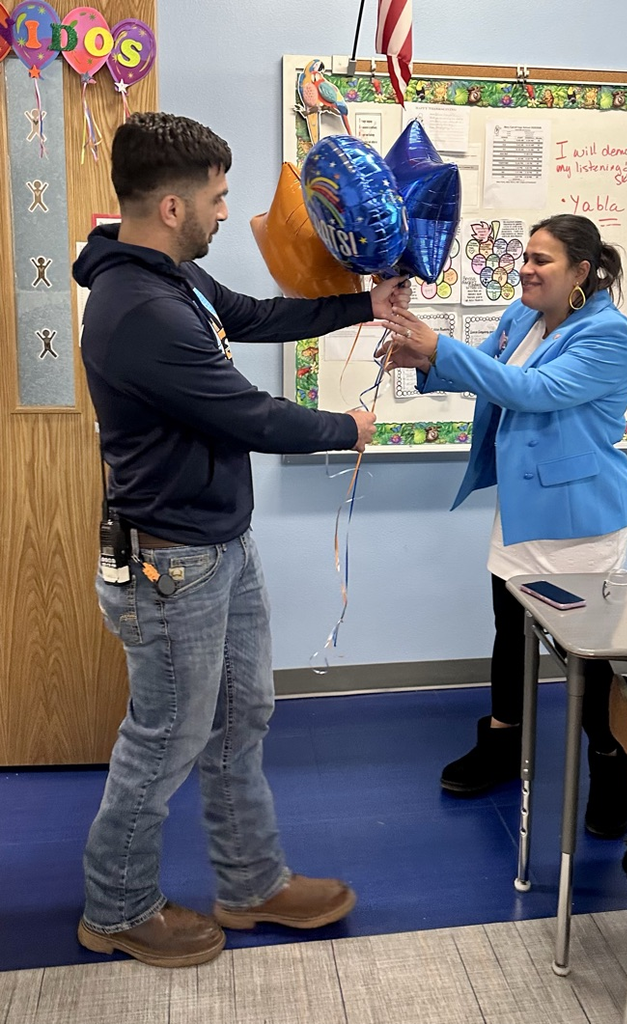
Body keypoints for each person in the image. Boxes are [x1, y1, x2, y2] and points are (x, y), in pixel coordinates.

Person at [73, 111, 410, 968]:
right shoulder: (137, 306)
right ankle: (114, 908)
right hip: (169, 562)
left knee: (238, 719)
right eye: (219, 199)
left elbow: (254, 315)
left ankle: (252, 883)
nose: (230, 213)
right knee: (166, 738)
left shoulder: (175, 278)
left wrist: (358, 305)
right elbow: (248, 414)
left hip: (219, 542)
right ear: (175, 207)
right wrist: (350, 425)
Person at [378, 214, 627, 838]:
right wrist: (425, 358)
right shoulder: (522, 317)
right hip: (523, 511)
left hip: (578, 522)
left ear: (581, 272)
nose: (526, 268)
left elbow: (529, 389)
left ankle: (610, 768)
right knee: (508, 629)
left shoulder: (608, 334)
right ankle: (501, 746)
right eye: (525, 256)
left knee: (588, 659)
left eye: (542, 260)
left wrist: (440, 346)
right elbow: (491, 376)